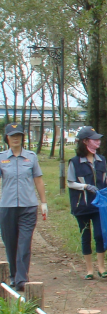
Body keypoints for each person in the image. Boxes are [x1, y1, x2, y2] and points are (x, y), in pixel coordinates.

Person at [0, 123, 47, 291]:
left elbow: (38, 179)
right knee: (10, 243)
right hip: (7, 206)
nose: (15, 138)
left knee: (24, 243)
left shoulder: (31, 157)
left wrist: (43, 202)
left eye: (18, 135)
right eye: (12, 135)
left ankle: (21, 279)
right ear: (7, 138)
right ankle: (13, 275)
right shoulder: (2, 158)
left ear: (22, 137)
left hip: (28, 206)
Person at [67, 126, 107, 279]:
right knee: (85, 236)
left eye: (98, 139)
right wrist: (85, 186)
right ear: (85, 141)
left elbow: (104, 179)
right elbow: (70, 182)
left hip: (99, 205)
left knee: (100, 235)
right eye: (94, 139)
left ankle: (101, 267)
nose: (97, 142)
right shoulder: (74, 162)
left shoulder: (101, 160)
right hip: (82, 206)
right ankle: (89, 270)